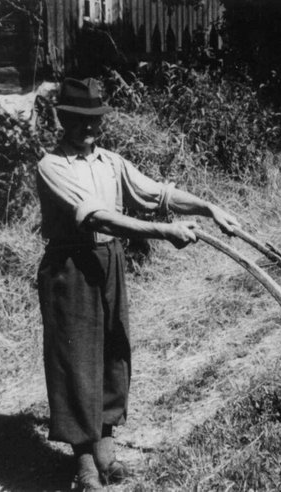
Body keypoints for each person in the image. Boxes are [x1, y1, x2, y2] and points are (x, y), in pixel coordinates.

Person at [36, 78, 240, 491]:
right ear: (63, 119)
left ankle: (106, 450)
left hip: (110, 261)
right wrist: (163, 232)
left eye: (93, 120)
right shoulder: (52, 166)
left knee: (114, 349)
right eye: (78, 120)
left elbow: (156, 193)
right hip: (70, 266)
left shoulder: (111, 162)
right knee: (76, 360)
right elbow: (97, 217)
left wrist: (209, 207)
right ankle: (85, 464)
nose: (87, 128)